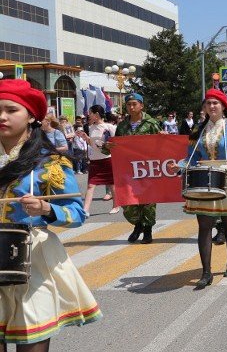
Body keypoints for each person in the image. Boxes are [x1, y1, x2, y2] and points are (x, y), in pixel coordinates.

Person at [0, 79, 101, 348]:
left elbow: (77, 214)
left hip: (32, 261)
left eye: (11, 110)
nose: (2, 116)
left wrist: (46, 208)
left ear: (31, 116)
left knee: (31, 338)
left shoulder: (50, 163)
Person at [165, 88, 227, 288]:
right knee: (204, 227)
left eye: (215, 103)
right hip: (204, 178)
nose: (212, 107)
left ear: (223, 107)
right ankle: (206, 272)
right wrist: (180, 166)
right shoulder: (197, 131)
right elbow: (192, 158)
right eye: (208, 103)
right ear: (204, 107)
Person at [113, 93, 162, 244]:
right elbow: (116, 147)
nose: (131, 107)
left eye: (134, 104)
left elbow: (161, 144)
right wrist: (108, 147)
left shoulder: (151, 123)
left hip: (147, 168)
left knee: (148, 201)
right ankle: (137, 225)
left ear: (141, 105)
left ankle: (147, 231)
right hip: (128, 169)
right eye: (128, 104)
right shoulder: (122, 126)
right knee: (128, 202)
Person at [78, 105, 117, 215]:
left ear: (97, 114)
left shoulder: (109, 127)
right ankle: (85, 210)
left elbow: (115, 143)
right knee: (90, 185)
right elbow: (92, 144)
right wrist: (86, 138)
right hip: (94, 160)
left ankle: (116, 205)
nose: (88, 115)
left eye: (90, 113)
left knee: (112, 184)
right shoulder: (90, 127)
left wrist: (107, 145)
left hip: (107, 159)